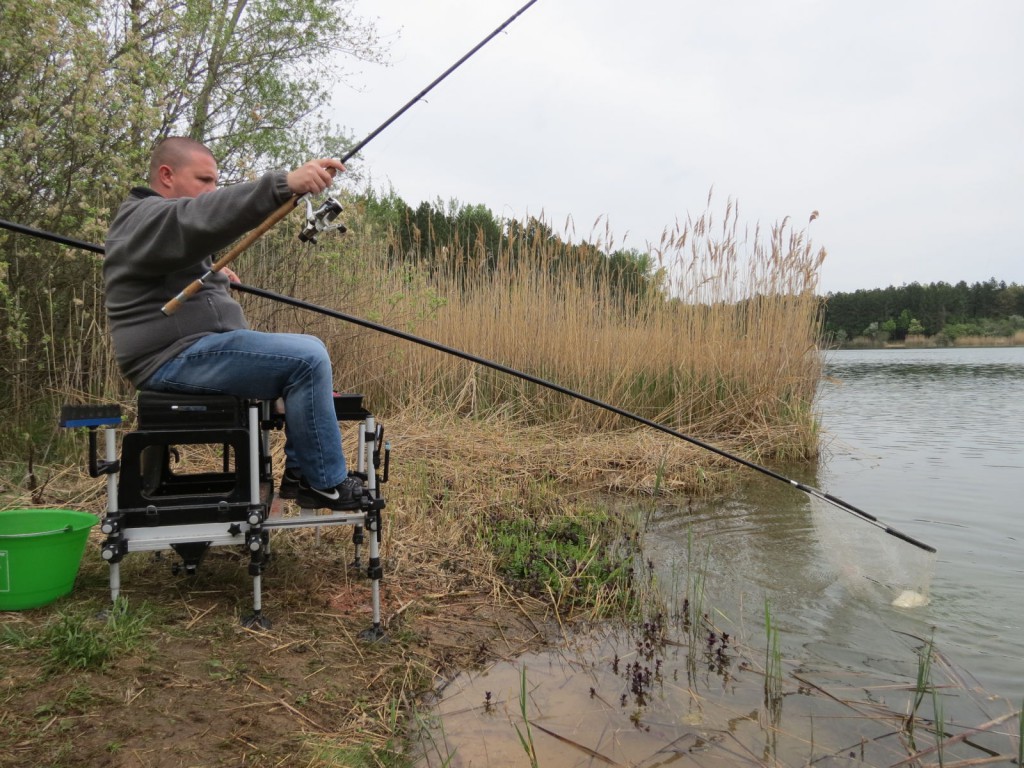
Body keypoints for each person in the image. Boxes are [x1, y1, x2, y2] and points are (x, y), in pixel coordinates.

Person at [103, 136, 360, 510]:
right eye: (204, 180)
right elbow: (198, 220)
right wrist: (284, 185)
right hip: (169, 357)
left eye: (214, 183)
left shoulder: (156, 225)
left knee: (311, 351)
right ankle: (324, 483)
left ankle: (303, 473)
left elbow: (178, 251)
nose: (211, 191)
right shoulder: (142, 218)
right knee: (306, 358)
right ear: (166, 175)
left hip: (194, 348)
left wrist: (215, 277)